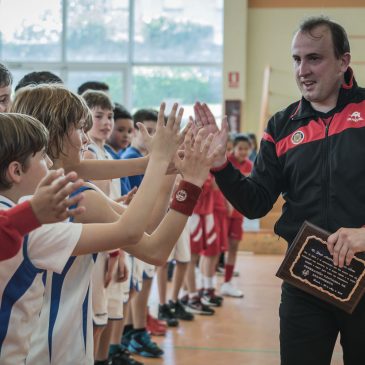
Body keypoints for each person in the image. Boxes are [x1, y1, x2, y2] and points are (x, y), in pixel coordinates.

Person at [196, 16, 365, 365]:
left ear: (343, 61)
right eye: (296, 59)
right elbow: (256, 202)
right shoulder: (281, 125)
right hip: (306, 282)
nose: (302, 69)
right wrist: (221, 165)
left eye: (314, 58)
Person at [0, 169, 85, 261]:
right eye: (43, 156)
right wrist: (32, 211)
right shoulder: (32, 230)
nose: (50, 162)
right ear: (16, 171)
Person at [220, 134, 252, 298]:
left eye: (246, 149)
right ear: (234, 148)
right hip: (221, 211)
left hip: (238, 213)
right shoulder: (226, 161)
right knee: (216, 249)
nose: (243, 151)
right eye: (240, 148)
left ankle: (227, 283)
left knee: (233, 246)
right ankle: (206, 286)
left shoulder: (250, 165)